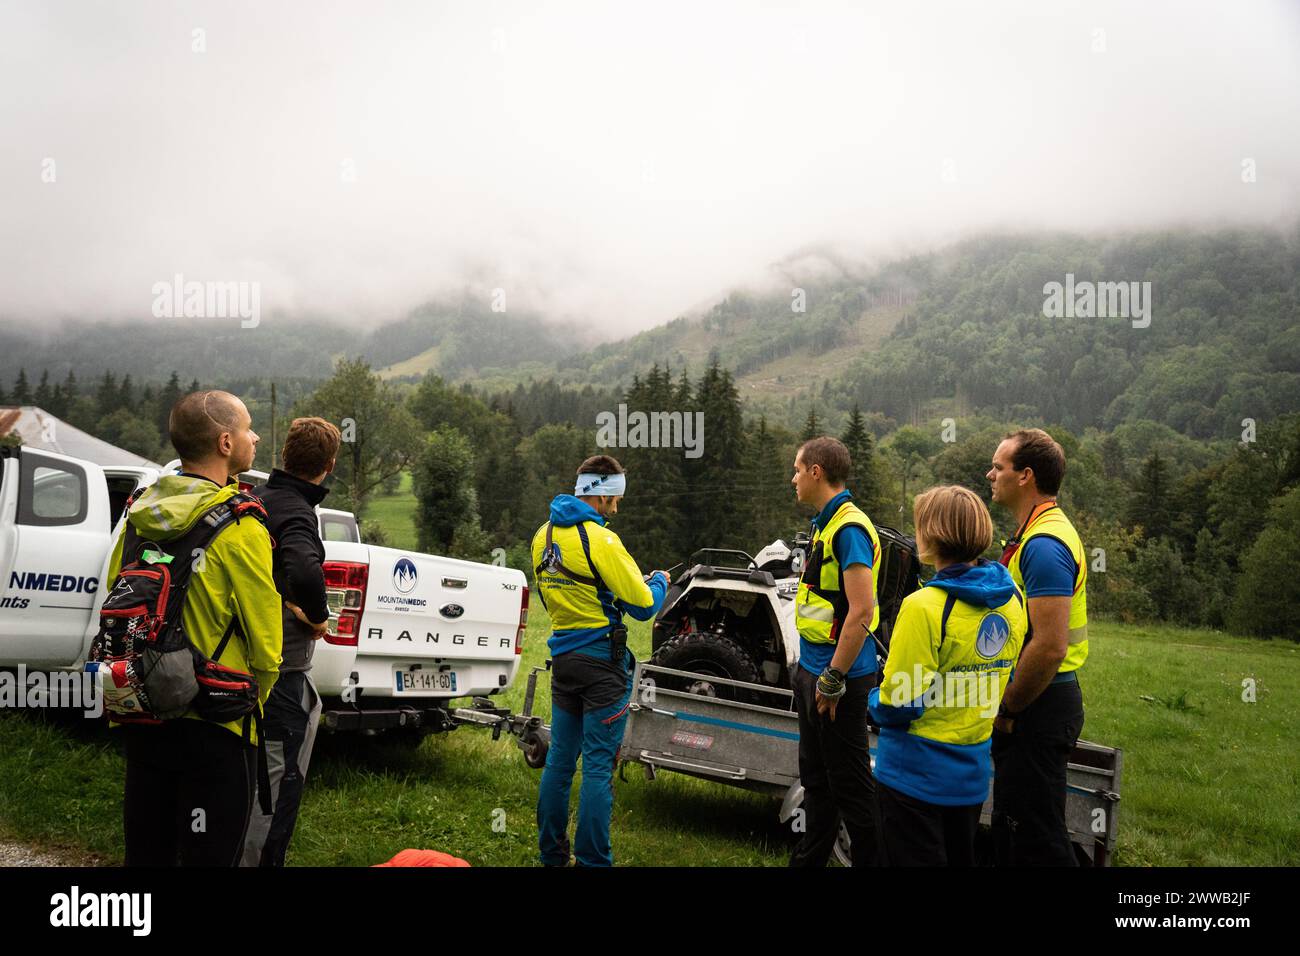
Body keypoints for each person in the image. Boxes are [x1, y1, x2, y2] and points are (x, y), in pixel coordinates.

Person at [106, 390, 282, 866]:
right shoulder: (241, 526)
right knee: (209, 854)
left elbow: (115, 595)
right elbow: (267, 644)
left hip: (145, 711)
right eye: (248, 429)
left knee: (147, 852)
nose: (256, 437)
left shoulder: (138, 516)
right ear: (226, 442)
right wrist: (255, 695)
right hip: (218, 719)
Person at [868, 485, 1027, 866]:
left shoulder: (924, 607)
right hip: (970, 778)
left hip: (913, 777)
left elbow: (900, 702)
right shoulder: (1012, 599)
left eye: (921, 524)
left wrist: (871, 702)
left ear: (934, 535)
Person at [531, 455, 669, 867]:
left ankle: (551, 855)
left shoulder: (543, 535)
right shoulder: (603, 540)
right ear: (604, 493)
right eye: (617, 497)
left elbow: (553, 592)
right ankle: (592, 861)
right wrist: (659, 582)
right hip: (602, 666)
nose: (619, 506)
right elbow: (644, 607)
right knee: (597, 767)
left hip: (565, 657)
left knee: (558, 761)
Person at [986, 428, 1089, 866]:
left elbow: (1049, 646)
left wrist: (1008, 710)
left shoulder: (1044, 545)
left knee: (1038, 836)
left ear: (1025, 476)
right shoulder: (1034, 532)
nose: (990, 474)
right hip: (1039, 699)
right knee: (1016, 828)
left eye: (998, 467)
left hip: (1038, 703)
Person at [242, 417, 340, 866]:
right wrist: (318, 617)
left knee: (244, 773)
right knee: (276, 781)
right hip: (281, 670)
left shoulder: (258, 499)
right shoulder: (298, 511)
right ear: (329, 465)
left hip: (238, 662)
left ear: (285, 455)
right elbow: (302, 568)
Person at [788, 436, 883, 867]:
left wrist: (833, 677)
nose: (792, 478)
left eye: (796, 469)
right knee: (817, 781)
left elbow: (863, 609)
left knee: (851, 787)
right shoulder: (823, 522)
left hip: (838, 680)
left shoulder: (849, 528)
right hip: (813, 670)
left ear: (816, 472)